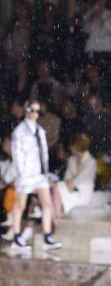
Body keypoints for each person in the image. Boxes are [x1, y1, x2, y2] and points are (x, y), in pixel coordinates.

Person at [10, 100, 61, 252]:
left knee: (47, 204)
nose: (35, 114)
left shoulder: (40, 131)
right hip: (25, 174)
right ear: (27, 110)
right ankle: (16, 236)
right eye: (33, 110)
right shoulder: (19, 131)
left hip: (39, 174)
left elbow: (44, 154)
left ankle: (47, 237)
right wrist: (22, 173)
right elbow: (17, 154)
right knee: (20, 205)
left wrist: (45, 173)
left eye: (38, 111)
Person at [52, 133, 96, 217]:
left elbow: (82, 177)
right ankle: (57, 215)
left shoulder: (91, 161)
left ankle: (58, 215)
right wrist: (69, 182)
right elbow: (67, 176)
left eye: (72, 145)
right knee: (55, 187)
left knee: (58, 188)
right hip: (70, 186)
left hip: (83, 191)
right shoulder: (72, 159)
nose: (70, 148)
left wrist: (72, 183)